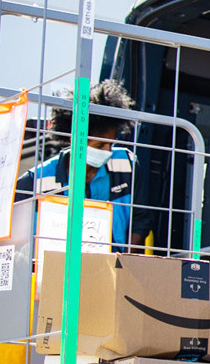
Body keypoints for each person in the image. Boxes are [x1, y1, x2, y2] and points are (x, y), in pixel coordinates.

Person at [19, 80, 138, 251]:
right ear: (73, 140)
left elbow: (141, 219)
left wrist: (125, 264)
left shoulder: (128, 164)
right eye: (100, 145)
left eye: (111, 144)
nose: (108, 151)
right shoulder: (34, 181)